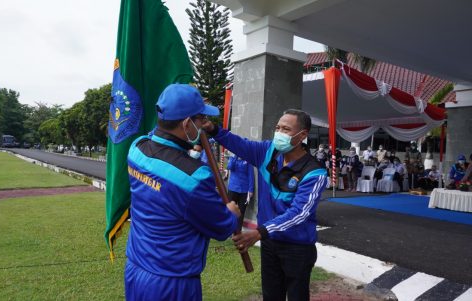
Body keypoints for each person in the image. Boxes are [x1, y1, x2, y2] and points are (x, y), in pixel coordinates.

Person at [124, 84, 240, 301]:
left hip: (135, 268)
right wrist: (232, 213)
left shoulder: (136, 148)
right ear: (187, 124)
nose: (203, 126)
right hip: (171, 283)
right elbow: (222, 227)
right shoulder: (194, 177)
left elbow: (156, 136)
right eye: (200, 120)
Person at [203, 109, 328, 301]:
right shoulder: (267, 152)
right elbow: (238, 144)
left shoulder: (314, 172)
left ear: (302, 135)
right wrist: (212, 128)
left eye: (286, 129)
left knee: (297, 296)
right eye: (277, 127)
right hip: (270, 243)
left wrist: (259, 232)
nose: (279, 133)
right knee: (270, 295)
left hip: (297, 247)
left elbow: (299, 214)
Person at [226, 153, 255, 228]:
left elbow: (251, 176)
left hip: (244, 191)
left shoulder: (248, 160)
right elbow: (229, 167)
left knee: (241, 212)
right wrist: (234, 157)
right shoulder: (232, 158)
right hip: (233, 188)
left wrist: (250, 190)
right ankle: (229, 229)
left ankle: (238, 230)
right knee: (230, 210)